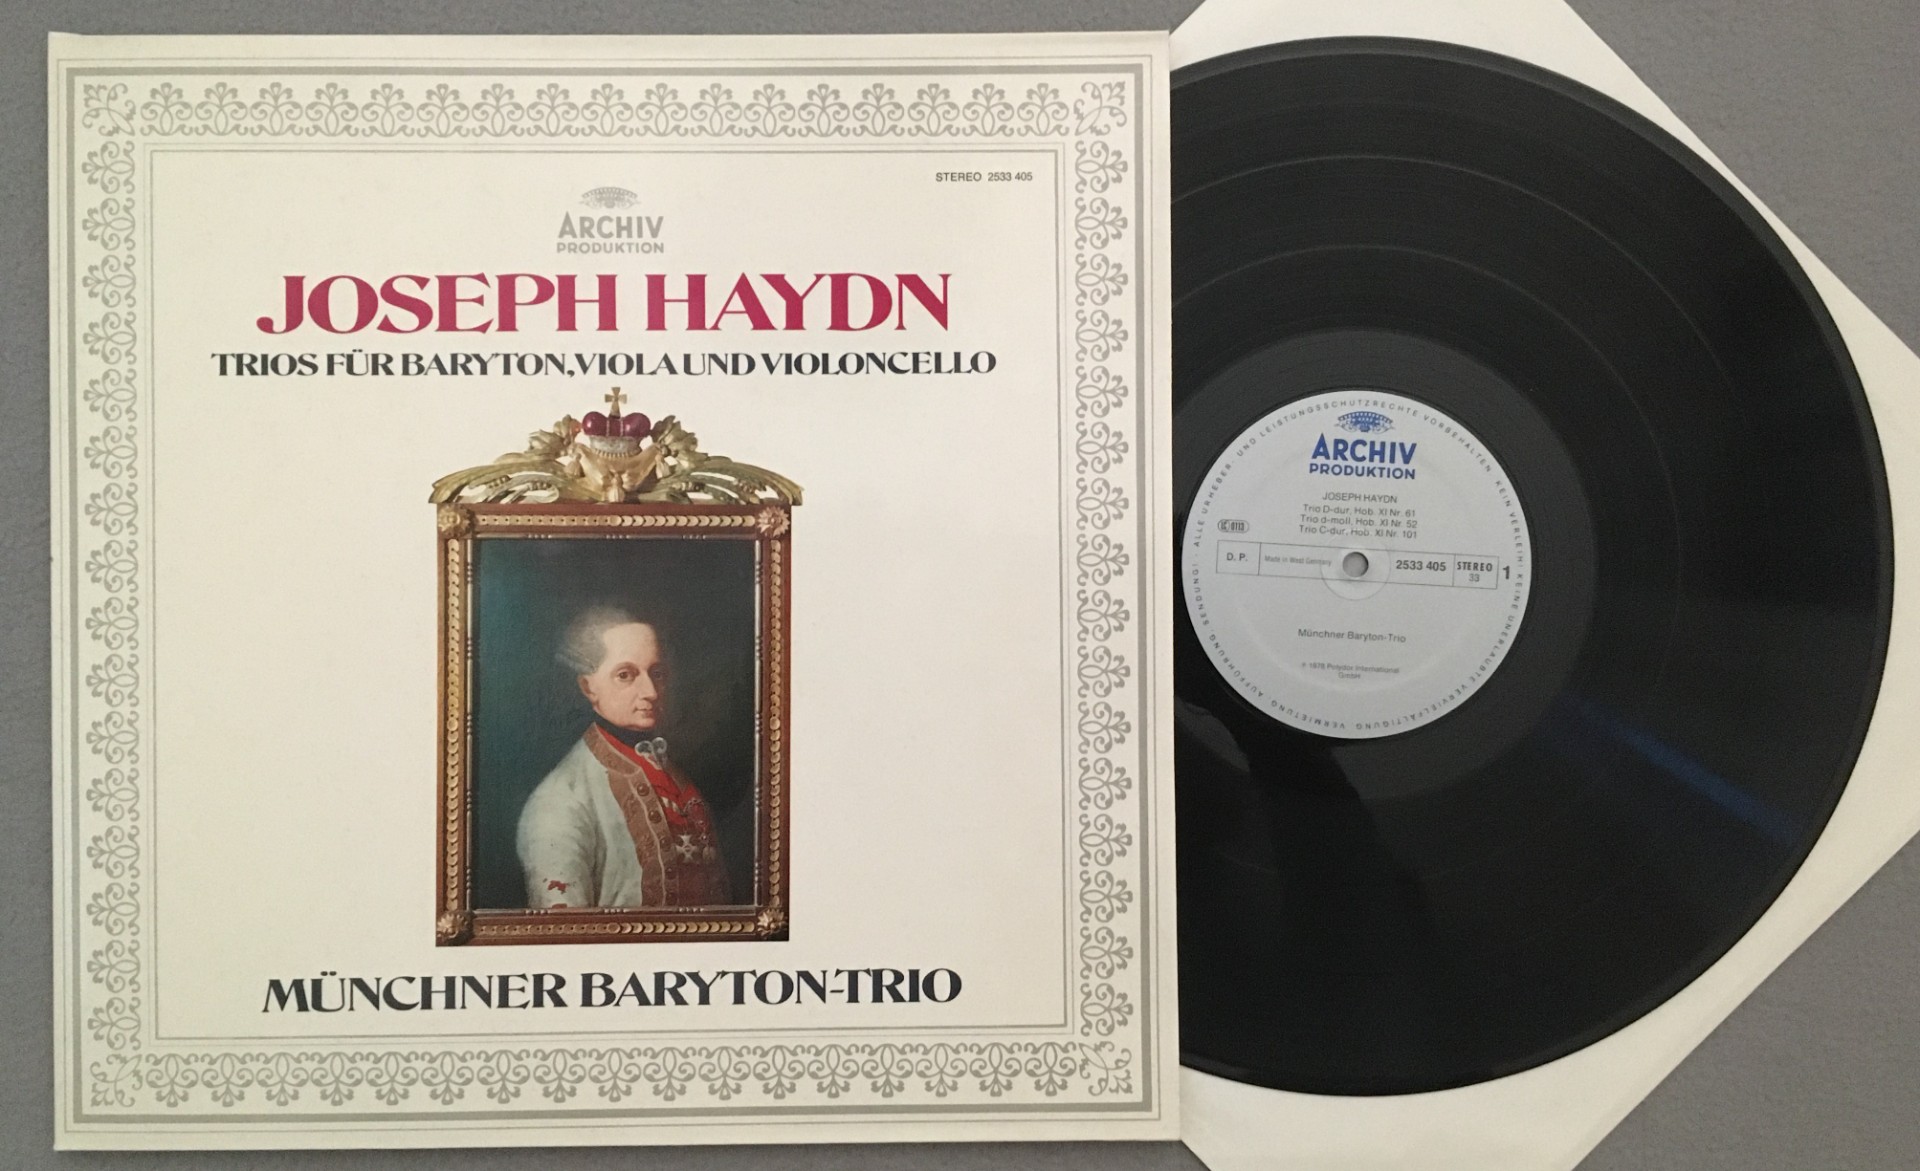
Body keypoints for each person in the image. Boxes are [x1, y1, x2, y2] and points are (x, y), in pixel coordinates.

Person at [516, 606, 730, 908]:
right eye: (626, 675)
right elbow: (565, 929)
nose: (651, 691)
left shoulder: (668, 770)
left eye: (656, 673)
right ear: (588, 687)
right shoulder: (561, 800)